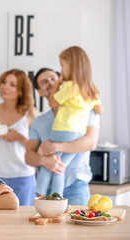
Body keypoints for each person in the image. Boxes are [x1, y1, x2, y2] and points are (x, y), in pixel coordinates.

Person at [34, 46, 103, 197]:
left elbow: (91, 143)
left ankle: (40, 192)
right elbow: (100, 109)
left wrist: (53, 146)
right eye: (45, 82)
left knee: (52, 162)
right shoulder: (89, 90)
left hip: (77, 184)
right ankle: (54, 196)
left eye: (55, 76)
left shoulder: (67, 87)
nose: (52, 83)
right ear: (39, 91)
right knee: (60, 166)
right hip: (76, 132)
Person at [0, 69, 38, 206]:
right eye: (4, 82)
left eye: (12, 84)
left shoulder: (30, 112)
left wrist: (19, 137)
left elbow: (38, 149)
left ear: (21, 90)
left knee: (24, 222)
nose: (5, 87)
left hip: (23, 177)